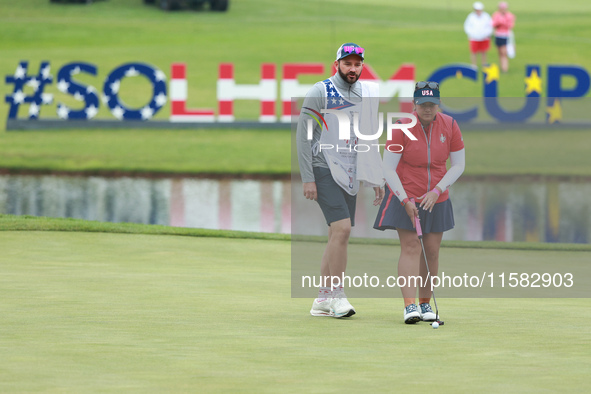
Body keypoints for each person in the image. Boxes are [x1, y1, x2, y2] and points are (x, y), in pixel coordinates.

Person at [296, 43, 384, 318]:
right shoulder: (320, 91)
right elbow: (304, 135)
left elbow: (369, 136)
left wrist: (375, 176)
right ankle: (337, 295)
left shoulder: (366, 93)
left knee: (337, 233)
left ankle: (322, 299)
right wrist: (308, 177)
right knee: (343, 229)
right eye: (348, 63)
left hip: (350, 170)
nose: (353, 69)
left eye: (358, 64)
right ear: (337, 64)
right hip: (324, 166)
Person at [373, 81, 465, 324]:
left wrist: (437, 190)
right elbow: (389, 168)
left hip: (437, 197)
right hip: (407, 194)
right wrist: (404, 200)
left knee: (432, 252)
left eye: (432, 104)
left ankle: (425, 305)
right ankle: (409, 306)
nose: (428, 109)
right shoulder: (401, 127)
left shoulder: (450, 125)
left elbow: (458, 165)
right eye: (423, 104)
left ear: (438, 104)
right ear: (414, 105)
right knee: (412, 246)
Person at [464, 1, 493, 69]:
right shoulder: (471, 16)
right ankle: (474, 66)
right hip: (474, 38)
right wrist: (472, 34)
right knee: (474, 52)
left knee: (484, 52)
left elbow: (490, 26)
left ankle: (484, 65)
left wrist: (486, 34)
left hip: (484, 38)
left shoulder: (486, 16)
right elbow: (467, 26)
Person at [492, 1, 516, 72]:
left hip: (505, 36)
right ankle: (502, 66)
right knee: (499, 52)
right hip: (498, 35)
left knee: (504, 53)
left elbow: (510, 25)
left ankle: (505, 68)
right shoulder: (496, 14)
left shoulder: (509, 15)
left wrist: (502, 23)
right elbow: (493, 24)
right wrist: (500, 23)